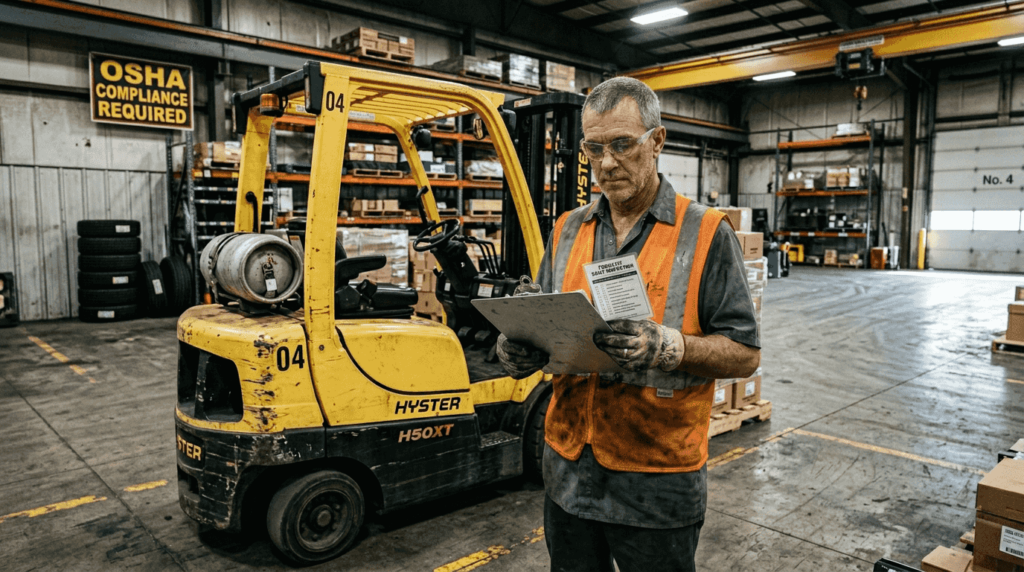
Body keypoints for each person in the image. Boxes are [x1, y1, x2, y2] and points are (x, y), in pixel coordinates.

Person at [496, 77, 761, 572]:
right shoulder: (567, 229)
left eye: (622, 145)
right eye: (593, 149)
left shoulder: (705, 233)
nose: (606, 163)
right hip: (569, 474)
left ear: (657, 142)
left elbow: (745, 354)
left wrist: (670, 347)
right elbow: (542, 318)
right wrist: (519, 348)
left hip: (657, 481)